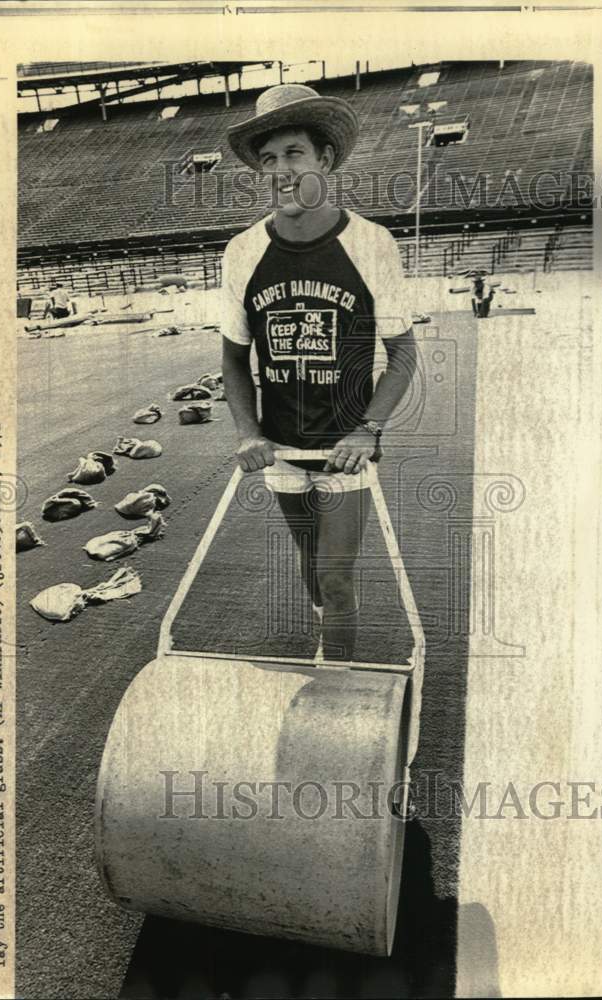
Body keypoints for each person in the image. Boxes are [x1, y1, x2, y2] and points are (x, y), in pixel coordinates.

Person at [221, 83, 417, 662]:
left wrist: (368, 430)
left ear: (325, 159)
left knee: (335, 574)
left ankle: (336, 676)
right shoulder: (241, 251)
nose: (281, 170)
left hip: (344, 449)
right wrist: (248, 432)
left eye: (294, 153)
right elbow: (233, 357)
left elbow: (403, 354)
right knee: (310, 562)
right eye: (269, 159)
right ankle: (329, 627)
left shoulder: (371, 243)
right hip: (281, 448)